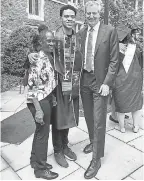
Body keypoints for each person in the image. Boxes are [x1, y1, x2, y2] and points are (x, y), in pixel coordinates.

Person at [28, 5, 83, 168]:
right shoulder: (55, 37)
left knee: (69, 117)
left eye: (72, 16)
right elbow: (40, 48)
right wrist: (30, 53)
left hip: (72, 84)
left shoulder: (77, 37)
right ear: (61, 17)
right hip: (57, 86)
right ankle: (58, 150)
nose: (69, 19)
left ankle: (65, 145)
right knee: (59, 118)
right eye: (66, 16)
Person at [78, 0, 119, 179]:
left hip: (100, 83)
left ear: (99, 13)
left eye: (94, 13)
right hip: (84, 81)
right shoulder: (81, 33)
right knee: (88, 117)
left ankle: (96, 159)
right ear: (85, 14)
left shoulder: (109, 31)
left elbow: (114, 61)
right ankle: (93, 143)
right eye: (88, 13)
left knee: (99, 120)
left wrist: (107, 83)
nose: (91, 16)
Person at [26, 27, 59, 180]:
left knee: (40, 132)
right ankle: (40, 169)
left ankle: (34, 160)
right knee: (43, 135)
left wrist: (51, 96)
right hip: (38, 101)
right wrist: (38, 111)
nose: (52, 43)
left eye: (53, 41)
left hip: (45, 98)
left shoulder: (48, 56)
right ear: (41, 42)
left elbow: (48, 81)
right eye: (49, 41)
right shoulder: (37, 60)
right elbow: (32, 88)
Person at [113, 26, 143, 133]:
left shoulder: (114, 49)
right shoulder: (137, 48)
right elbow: (141, 64)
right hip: (135, 78)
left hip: (120, 79)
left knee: (121, 102)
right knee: (135, 103)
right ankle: (135, 126)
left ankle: (122, 127)